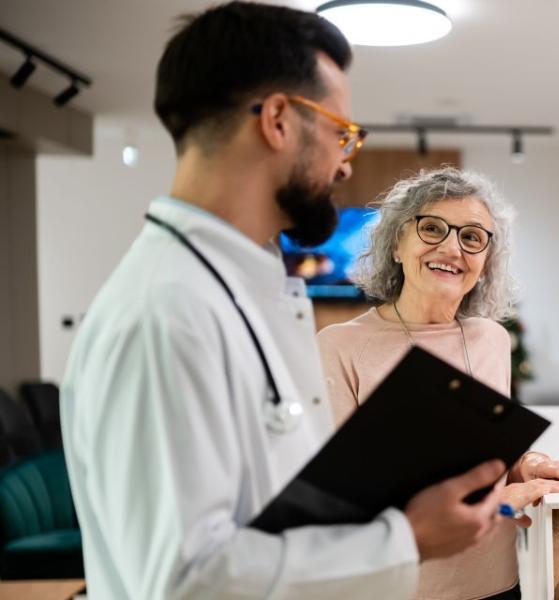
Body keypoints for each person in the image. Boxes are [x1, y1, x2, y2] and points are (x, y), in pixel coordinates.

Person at [61, 3, 508, 597]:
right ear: (277, 120)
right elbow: (182, 581)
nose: (346, 163)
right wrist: (407, 539)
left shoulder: (235, 292)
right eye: (339, 133)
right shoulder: (168, 314)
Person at [318, 167, 559, 599]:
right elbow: (346, 507)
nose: (452, 247)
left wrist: (525, 463)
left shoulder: (492, 339)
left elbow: (483, 456)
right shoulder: (339, 347)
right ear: (396, 243)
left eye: (472, 237)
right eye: (432, 228)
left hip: (498, 582)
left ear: (486, 261)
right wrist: (506, 502)